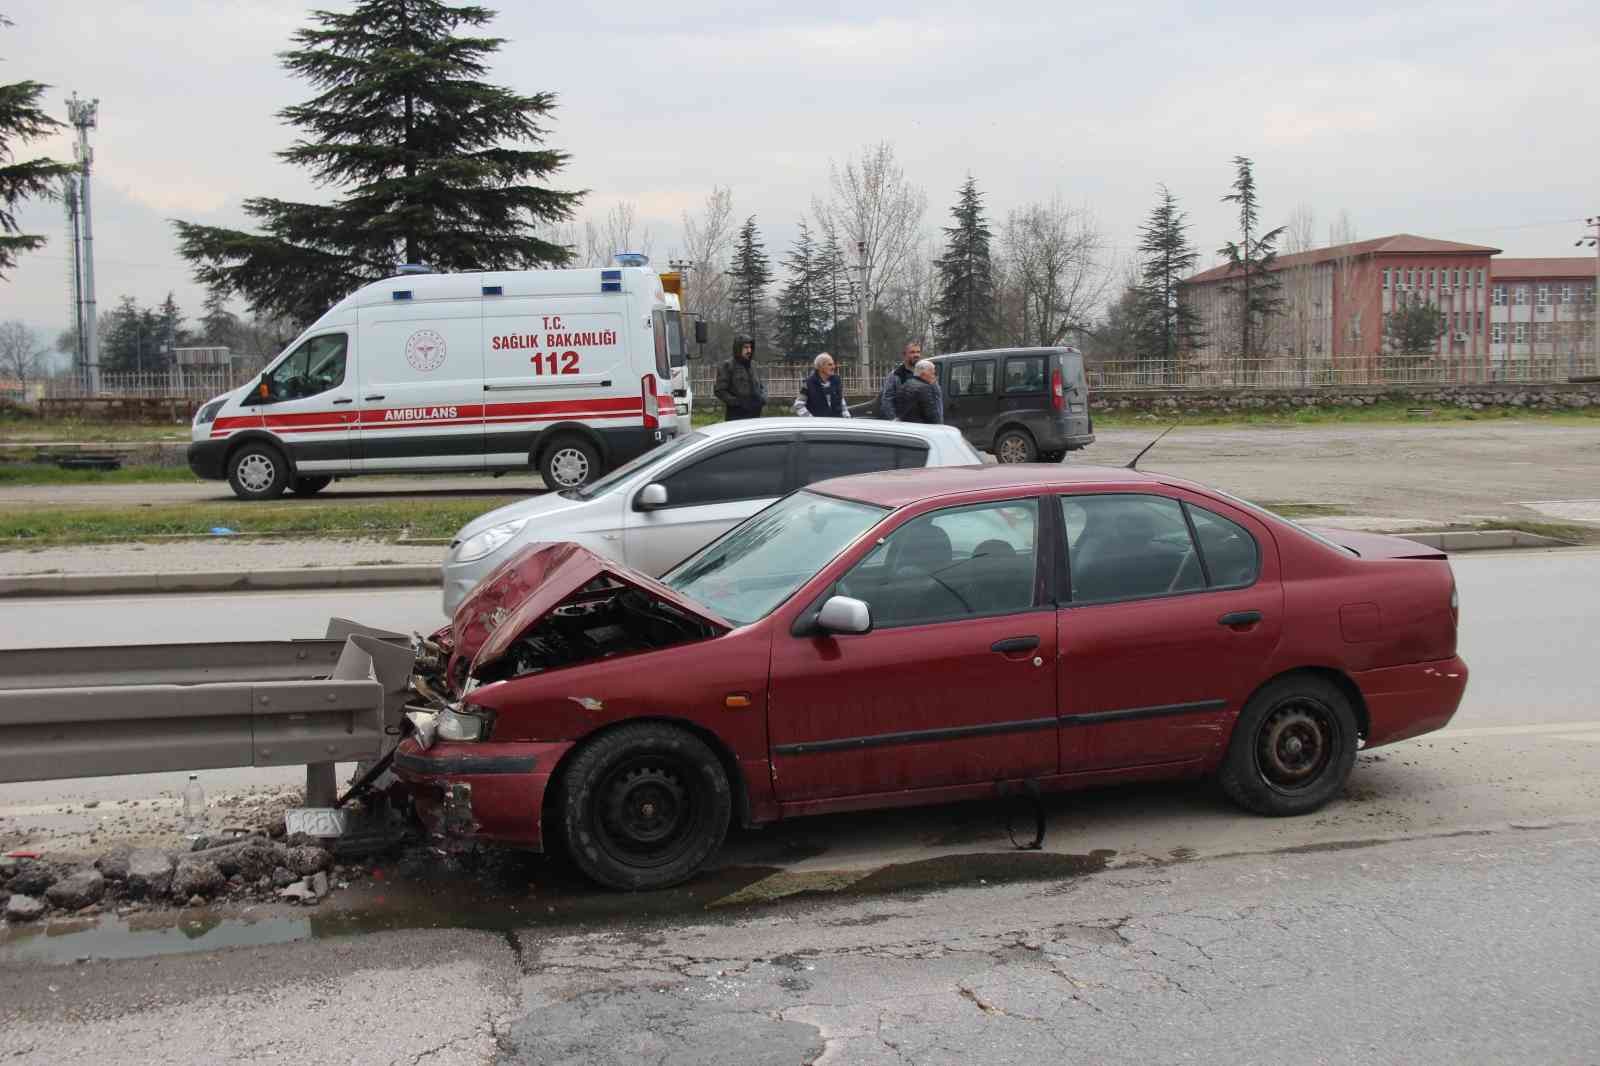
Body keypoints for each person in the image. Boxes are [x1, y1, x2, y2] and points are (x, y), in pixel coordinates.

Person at [713, 337, 766, 420]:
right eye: (746, 347)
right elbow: (719, 390)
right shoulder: (728, 366)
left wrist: (763, 398)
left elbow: (761, 386)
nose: (749, 350)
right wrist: (738, 403)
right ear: (738, 348)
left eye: (750, 347)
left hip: (755, 415)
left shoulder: (753, 365)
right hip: (736, 416)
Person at [794, 352, 850, 418]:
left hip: (836, 422)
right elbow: (798, 405)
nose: (833, 367)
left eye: (833, 364)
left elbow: (841, 401)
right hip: (819, 423)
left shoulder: (836, 380)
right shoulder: (809, 383)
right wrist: (811, 420)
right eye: (830, 365)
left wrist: (847, 417)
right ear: (820, 367)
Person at [877, 342, 922, 419]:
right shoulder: (895, 375)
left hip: (922, 422)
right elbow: (887, 400)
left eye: (918, 352)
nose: (916, 355)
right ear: (904, 355)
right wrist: (894, 419)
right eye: (912, 352)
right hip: (904, 422)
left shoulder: (924, 373)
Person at [894, 358, 944, 424]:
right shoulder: (925, 388)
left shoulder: (906, 384)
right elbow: (933, 416)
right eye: (932, 373)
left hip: (906, 425)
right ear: (923, 374)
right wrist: (934, 387)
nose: (934, 377)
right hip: (920, 427)